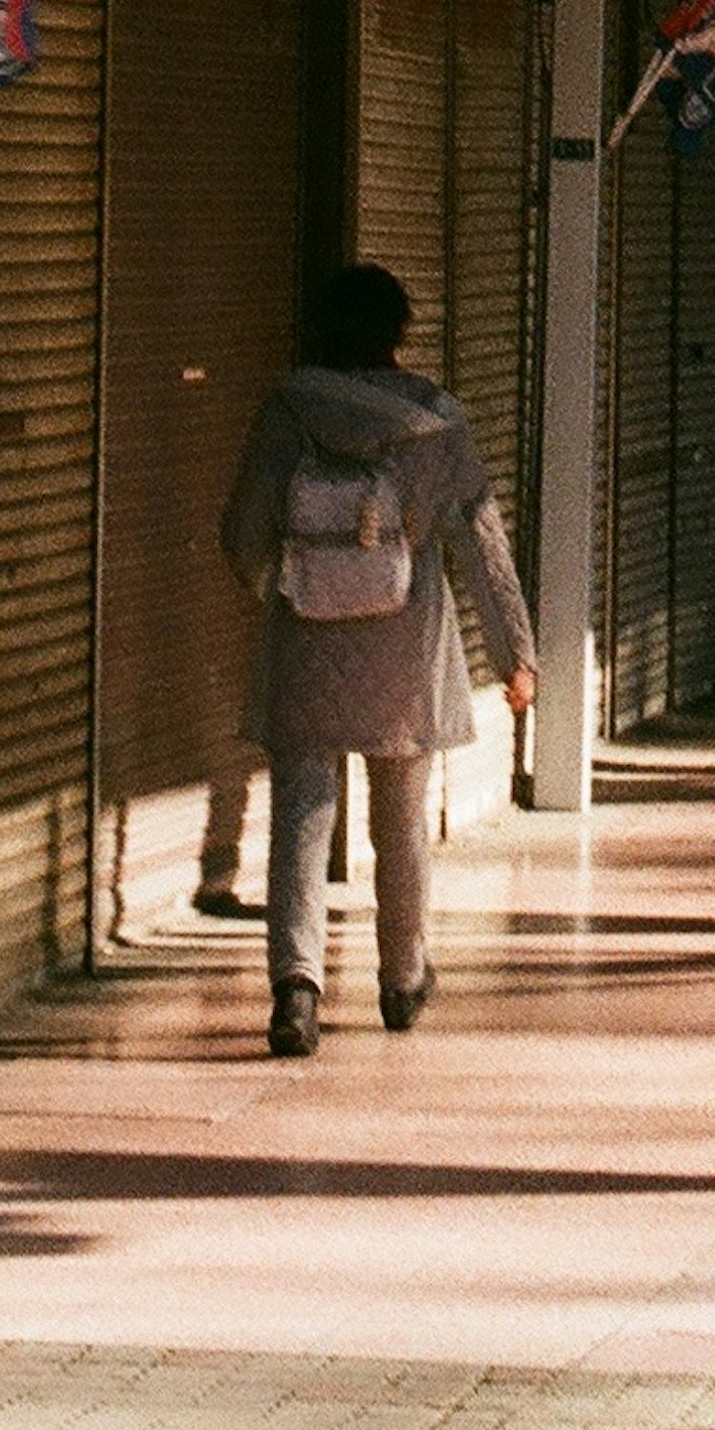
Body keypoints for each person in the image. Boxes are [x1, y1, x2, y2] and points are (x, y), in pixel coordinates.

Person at [219, 258, 535, 1054]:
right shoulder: (435, 421)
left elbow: (242, 535)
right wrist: (515, 656)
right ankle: (402, 980)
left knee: (300, 813)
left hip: (304, 640)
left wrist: (290, 590)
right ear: (401, 332)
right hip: (406, 651)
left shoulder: (289, 411)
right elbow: (481, 541)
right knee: (400, 820)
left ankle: (296, 991)